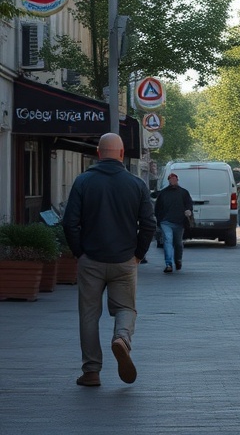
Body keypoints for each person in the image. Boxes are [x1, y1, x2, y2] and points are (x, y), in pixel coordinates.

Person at [61, 133, 156, 387]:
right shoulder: (136, 185)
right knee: (126, 308)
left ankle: (91, 371)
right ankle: (122, 338)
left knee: (89, 315)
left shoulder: (83, 181)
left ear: (98, 153)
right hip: (124, 259)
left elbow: (69, 223)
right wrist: (138, 255)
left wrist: (80, 252)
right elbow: (149, 224)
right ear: (122, 154)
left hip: (91, 259)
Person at [154, 172, 194, 273]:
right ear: (169, 180)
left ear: (177, 180)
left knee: (178, 243)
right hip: (166, 222)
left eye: (174, 179)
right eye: (171, 179)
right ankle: (168, 264)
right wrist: (159, 220)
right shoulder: (163, 193)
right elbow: (157, 208)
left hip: (179, 222)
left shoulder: (184, 193)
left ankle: (178, 260)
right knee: (168, 240)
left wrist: (189, 210)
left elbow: (189, 204)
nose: (172, 181)